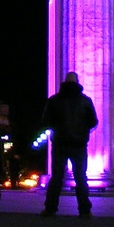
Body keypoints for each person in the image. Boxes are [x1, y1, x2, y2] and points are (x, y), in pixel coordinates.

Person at [42, 71, 98, 218]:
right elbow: (93, 121)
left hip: (60, 143)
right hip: (79, 145)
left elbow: (46, 121)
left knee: (56, 177)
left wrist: (57, 129)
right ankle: (84, 210)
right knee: (81, 177)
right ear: (78, 82)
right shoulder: (85, 101)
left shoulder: (54, 100)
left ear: (64, 82)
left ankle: (50, 208)